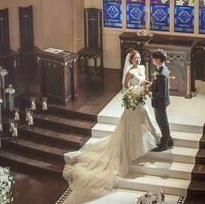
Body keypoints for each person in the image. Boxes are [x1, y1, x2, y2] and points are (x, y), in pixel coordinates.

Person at [62, 49, 160, 190]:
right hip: (134, 101)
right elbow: (125, 88)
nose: (138, 60)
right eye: (136, 58)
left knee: (145, 119)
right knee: (134, 124)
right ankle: (133, 147)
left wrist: (148, 86)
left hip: (141, 99)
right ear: (131, 60)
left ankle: (148, 141)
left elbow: (143, 81)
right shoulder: (129, 72)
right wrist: (133, 94)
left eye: (139, 58)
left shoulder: (142, 67)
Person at [150, 50, 174, 151]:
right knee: (161, 121)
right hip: (160, 101)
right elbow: (158, 84)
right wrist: (151, 85)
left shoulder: (162, 74)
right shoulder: (162, 69)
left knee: (162, 122)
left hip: (160, 102)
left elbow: (162, 92)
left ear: (158, 60)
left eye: (154, 58)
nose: (152, 60)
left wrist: (151, 94)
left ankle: (164, 144)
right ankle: (169, 141)